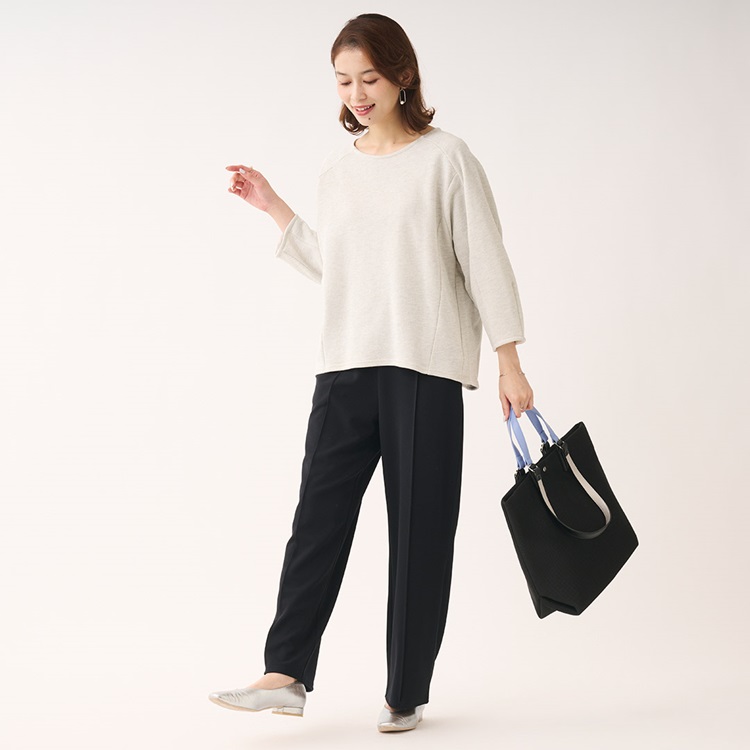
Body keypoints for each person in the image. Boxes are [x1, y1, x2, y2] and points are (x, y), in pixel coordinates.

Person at [209, 12, 534, 733]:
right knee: (316, 522)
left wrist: (508, 358)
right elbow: (341, 268)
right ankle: (285, 673)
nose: (357, 94)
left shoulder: (447, 159)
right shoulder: (337, 171)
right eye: (344, 82)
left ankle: (405, 693)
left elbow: (485, 257)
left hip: (424, 366)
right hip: (346, 365)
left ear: (403, 76)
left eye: (370, 78)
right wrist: (273, 208)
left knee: (420, 533)